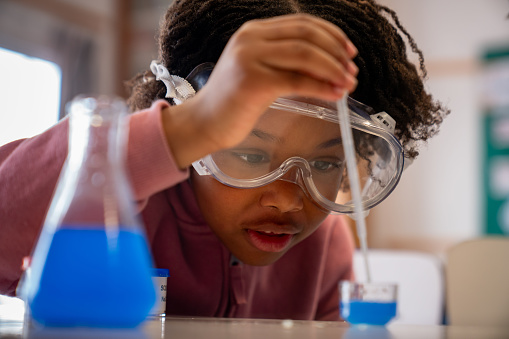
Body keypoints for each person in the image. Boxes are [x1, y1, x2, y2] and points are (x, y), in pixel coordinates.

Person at [0, 0, 448, 321]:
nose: (289, 201)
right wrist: (194, 126)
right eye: (252, 154)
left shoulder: (325, 247)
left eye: (326, 164)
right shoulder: (116, 210)